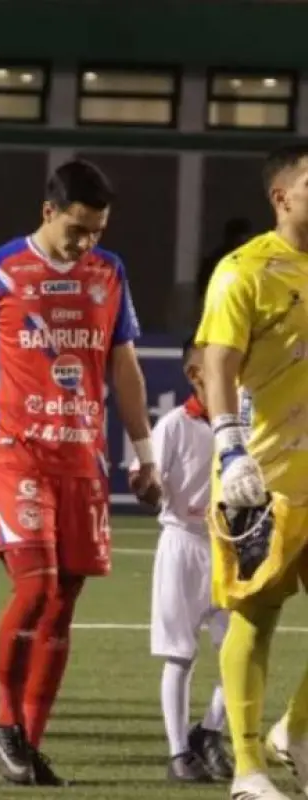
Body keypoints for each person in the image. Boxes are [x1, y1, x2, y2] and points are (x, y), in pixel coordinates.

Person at [0, 159, 160, 786]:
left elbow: (125, 367)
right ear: (48, 212)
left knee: (63, 601)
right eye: (77, 230)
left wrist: (144, 453)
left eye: (98, 232)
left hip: (82, 458)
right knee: (35, 587)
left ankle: (28, 740)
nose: (86, 244)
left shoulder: (109, 272)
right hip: (17, 454)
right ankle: (4, 725)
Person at [195, 143, 308, 800]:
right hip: (263, 478)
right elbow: (218, 362)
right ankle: (247, 768)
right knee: (256, 617)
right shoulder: (244, 271)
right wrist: (229, 447)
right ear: (281, 197)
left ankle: (295, 730)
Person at [138, 341, 231, 784]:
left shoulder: (241, 423)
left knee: (241, 650)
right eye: (222, 368)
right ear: (196, 376)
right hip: (183, 544)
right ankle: (179, 753)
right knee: (180, 655)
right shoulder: (174, 425)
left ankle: (209, 730)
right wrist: (148, 484)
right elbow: (149, 480)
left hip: (231, 546)